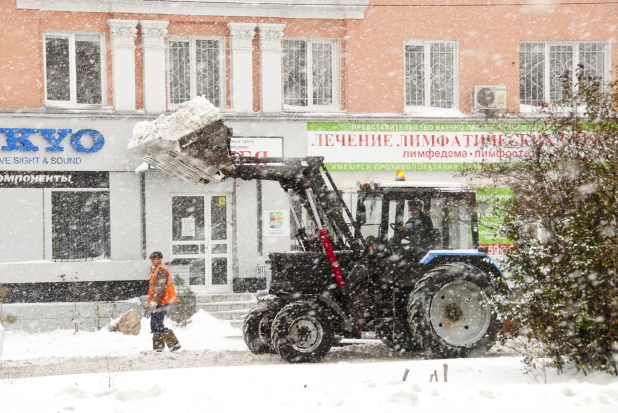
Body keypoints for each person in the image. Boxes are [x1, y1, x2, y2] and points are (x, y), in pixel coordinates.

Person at [147, 251, 181, 352]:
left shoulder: (161, 270)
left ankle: (173, 344)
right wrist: (150, 301)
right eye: (151, 259)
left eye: (154, 259)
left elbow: (161, 288)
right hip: (159, 301)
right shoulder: (157, 270)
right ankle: (159, 348)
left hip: (162, 301)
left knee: (157, 324)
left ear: (160, 259)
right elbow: (153, 288)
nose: (152, 261)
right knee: (155, 324)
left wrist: (154, 301)